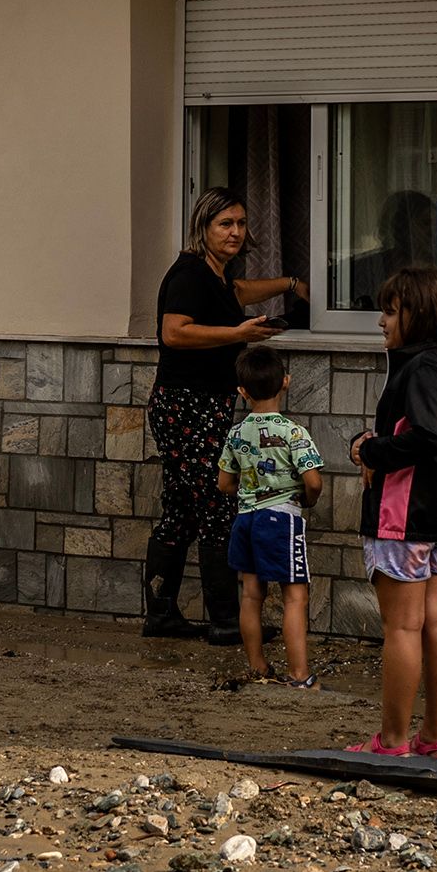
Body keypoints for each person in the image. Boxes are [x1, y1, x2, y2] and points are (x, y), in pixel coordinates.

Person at [147, 189, 304, 640]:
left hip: (204, 403)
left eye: (240, 223)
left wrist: (291, 285)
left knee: (180, 510)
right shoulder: (189, 273)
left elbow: (238, 291)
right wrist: (239, 332)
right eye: (225, 224)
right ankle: (226, 620)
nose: (236, 232)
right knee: (217, 502)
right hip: (186, 405)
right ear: (203, 227)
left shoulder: (217, 275)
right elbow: (173, 333)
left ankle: (161, 615)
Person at [352, 264, 437, 758]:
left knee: (402, 628)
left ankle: (394, 741)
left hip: (405, 518)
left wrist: (371, 451)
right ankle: (432, 739)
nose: (381, 321)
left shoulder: (419, 367)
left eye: (390, 310)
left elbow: (427, 437)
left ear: (414, 315)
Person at [216, 343, 325, 688]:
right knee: (295, 595)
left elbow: (223, 483)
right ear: (286, 382)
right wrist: (306, 499)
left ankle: (258, 665)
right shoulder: (294, 433)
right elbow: (314, 481)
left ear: (242, 391)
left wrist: (249, 494)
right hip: (282, 518)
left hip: (246, 519)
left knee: (251, 594)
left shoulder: (236, 433)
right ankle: (299, 673)